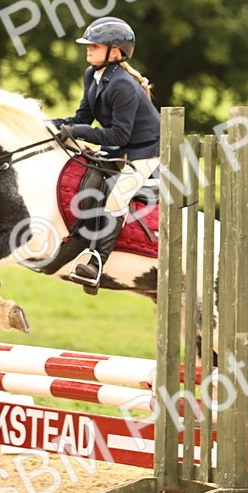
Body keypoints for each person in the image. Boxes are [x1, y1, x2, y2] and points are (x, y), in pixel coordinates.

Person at [52, 16, 160, 293]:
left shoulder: (123, 85)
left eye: (95, 45)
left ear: (115, 51)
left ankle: (96, 262)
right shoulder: (93, 75)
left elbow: (118, 135)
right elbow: (83, 117)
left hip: (145, 152)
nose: (88, 49)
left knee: (116, 197)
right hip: (119, 149)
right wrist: (54, 124)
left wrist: (75, 130)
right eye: (88, 44)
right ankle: (77, 240)